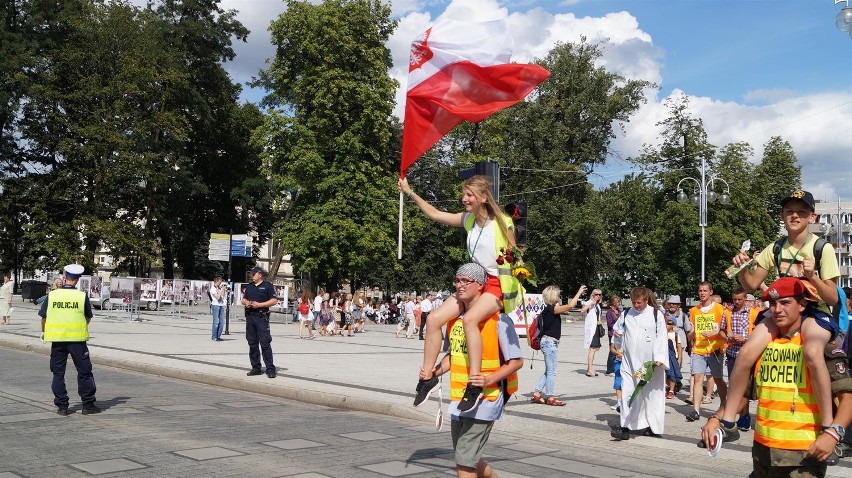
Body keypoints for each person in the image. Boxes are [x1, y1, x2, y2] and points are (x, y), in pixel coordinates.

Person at [702, 276, 852, 477]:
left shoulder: (820, 347)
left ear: (802, 305)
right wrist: (717, 418)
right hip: (763, 454)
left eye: (785, 303)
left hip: (804, 459)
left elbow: (848, 399)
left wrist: (833, 433)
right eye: (772, 304)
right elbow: (743, 394)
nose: (777, 310)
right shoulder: (763, 348)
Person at [401, 175, 521, 412]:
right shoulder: (468, 220)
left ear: (483, 198)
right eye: (464, 194)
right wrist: (409, 192)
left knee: (470, 320)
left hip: (497, 284)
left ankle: (474, 384)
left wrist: (518, 278)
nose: (464, 199)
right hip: (474, 281)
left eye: (469, 195)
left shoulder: (502, 222)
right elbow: (435, 214)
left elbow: (516, 257)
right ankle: (428, 377)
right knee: (434, 319)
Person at [731, 189, 840, 433]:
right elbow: (750, 285)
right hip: (784, 311)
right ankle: (729, 416)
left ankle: (827, 424)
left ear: (812, 217)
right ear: (782, 215)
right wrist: (743, 267)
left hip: (813, 311)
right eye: (789, 211)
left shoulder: (823, 248)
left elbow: (832, 297)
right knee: (747, 351)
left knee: (812, 352)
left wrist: (813, 276)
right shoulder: (776, 247)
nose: (795, 216)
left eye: (801, 212)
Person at [429, 263, 523, 478]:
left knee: (464, 464)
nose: (459, 286)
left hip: (486, 398)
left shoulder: (499, 320)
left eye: (465, 281)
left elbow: (516, 362)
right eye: (457, 280)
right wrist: (435, 372)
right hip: (459, 396)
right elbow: (455, 356)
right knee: (467, 458)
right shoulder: (455, 320)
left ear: (480, 285)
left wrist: (488, 379)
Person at [38, 264, 100, 415]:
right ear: (78, 280)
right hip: (77, 341)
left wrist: (44, 332)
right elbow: (87, 317)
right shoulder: (81, 296)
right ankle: (87, 405)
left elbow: (43, 317)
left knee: (58, 373)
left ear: (64, 277)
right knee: (84, 372)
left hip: (57, 340)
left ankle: (63, 407)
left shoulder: (52, 295)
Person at [610, 287, 668, 440]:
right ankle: (626, 426)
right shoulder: (626, 313)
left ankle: (653, 427)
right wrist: (616, 338)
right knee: (628, 393)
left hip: (648, 365)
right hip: (629, 363)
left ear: (646, 300)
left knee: (651, 395)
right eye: (634, 302)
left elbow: (662, 336)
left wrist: (659, 358)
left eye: (639, 303)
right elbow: (617, 330)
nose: (636, 305)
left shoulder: (656, 315)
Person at [531, 285, 586, 406]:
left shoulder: (550, 309)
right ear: (552, 296)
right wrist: (579, 292)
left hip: (548, 342)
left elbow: (567, 309)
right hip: (550, 343)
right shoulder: (551, 309)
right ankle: (550, 396)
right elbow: (571, 306)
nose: (559, 296)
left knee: (549, 370)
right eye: (557, 295)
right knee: (552, 372)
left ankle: (537, 393)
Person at [685, 281, 728, 421]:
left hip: (715, 350)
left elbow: (724, 330)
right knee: (698, 379)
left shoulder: (720, 309)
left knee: (718, 379)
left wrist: (714, 332)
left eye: (704, 291)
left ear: (710, 292)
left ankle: (724, 405)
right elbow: (690, 334)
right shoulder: (694, 311)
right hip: (698, 350)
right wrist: (693, 333)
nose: (702, 293)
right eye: (700, 291)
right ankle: (696, 410)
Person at [721, 286, 754, 431]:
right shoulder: (727, 313)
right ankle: (732, 415)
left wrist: (745, 338)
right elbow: (721, 331)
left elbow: (759, 333)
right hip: (732, 353)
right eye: (735, 299)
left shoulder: (752, 313)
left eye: (740, 299)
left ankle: (745, 415)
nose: (737, 302)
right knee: (734, 386)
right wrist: (728, 337)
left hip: (748, 354)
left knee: (745, 387)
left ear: (745, 299)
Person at [240, 266, 278, 378]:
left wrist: (259, 305)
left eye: (253, 274)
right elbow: (243, 298)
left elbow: (274, 300)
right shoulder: (250, 287)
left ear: (260, 274)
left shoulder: (267, 286)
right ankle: (256, 367)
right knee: (252, 343)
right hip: (250, 317)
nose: (252, 276)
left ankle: (270, 368)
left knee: (265, 343)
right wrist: (246, 302)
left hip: (261, 317)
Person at [582, 289, 604, 376]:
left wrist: (599, 321)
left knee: (594, 349)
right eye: (596, 294)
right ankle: (590, 369)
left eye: (599, 295)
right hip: (591, 329)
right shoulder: (589, 302)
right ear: (593, 294)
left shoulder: (598, 305)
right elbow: (582, 310)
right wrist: (591, 302)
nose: (598, 296)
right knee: (592, 349)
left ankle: (590, 368)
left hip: (596, 328)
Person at [605, 295, 622, 376]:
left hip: (619, 334)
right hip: (612, 333)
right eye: (617, 302)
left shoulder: (619, 311)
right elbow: (610, 324)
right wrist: (616, 325)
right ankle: (609, 370)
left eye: (619, 301)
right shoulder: (609, 312)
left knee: (618, 350)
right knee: (612, 352)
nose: (619, 303)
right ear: (613, 303)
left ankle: (616, 368)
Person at [209, 275, 227, 341]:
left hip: (221, 305)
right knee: (216, 322)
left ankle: (218, 336)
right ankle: (214, 336)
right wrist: (221, 290)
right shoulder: (212, 289)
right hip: (215, 305)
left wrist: (223, 290)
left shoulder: (219, 288)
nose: (220, 283)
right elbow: (218, 297)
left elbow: (223, 296)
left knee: (222, 322)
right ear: (216, 282)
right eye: (219, 282)